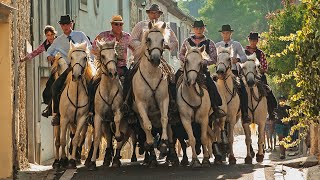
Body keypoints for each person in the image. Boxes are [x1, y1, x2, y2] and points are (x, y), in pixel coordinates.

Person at [124, 3, 179, 110]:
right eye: (152, 13)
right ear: (148, 14)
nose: (154, 15)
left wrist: (167, 46)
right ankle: (127, 103)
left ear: (159, 14)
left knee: (172, 77)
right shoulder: (141, 25)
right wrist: (143, 46)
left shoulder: (164, 26)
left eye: (156, 13)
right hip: (141, 58)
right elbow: (132, 40)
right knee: (129, 76)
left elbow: (175, 41)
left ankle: (172, 103)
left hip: (159, 58)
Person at [47, 14, 92, 126]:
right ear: (61, 26)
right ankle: (57, 113)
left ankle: (92, 111)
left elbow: (89, 47)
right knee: (55, 86)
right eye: (63, 25)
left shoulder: (80, 35)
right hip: (68, 68)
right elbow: (49, 51)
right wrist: (50, 56)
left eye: (67, 24)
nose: (65, 26)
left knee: (93, 84)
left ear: (71, 24)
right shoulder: (58, 40)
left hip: (82, 67)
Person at [177, 20, 226, 119]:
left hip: (202, 71)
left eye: (200, 28)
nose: (198, 30)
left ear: (204, 29)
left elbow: (214, 58)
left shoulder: (209, 43)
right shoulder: (187, 42)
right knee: (175, 80)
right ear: (193, 29)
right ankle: (174, 106)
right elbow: (181, 54)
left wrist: (205, 62)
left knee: (211, 85)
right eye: (196, 28)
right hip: (187, 70)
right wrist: (185, 59)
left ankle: (215, 108)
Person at [90, 15, 132, 115]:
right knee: (92, 83)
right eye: (116, 24)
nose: (118, 26)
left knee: (131, 83)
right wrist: (102, 57)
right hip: (105, 68)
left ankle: (129, 109)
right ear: (112, 25)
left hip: (121, 66)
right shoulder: (103, 35)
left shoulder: (128, 37)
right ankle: (91, 111)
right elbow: (93, 48)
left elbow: (135, 49)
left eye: (120, 24)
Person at [20, 25, 58, 117]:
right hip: (55, 69)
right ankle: (50, 109)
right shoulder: (45, 44)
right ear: (46, 36)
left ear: (54, 34)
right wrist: (24, 59)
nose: (50, 37)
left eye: (51, 34)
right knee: (48, 89)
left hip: (64, 65)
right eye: (48, 35)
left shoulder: (60, 40)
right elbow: (35, 52)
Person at [215, 24, 251, 123]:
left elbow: (244, 57)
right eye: (224, 33)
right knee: (212, 87)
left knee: (243, 89)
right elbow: (213, 58)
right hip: (220, 72)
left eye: (227, 33)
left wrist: (238, 59)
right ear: (222, 34)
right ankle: (213, 111)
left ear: (231, 33)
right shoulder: (217, 45)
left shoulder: (236, 44)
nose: (226, 35)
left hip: (234, 72)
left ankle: (245, 114)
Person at [245, 32, 278, 119]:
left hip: (259, 77)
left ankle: (272, 112)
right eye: (251, 40)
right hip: (246, 76)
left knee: (268, 92)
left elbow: (265, 67)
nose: (253, 42)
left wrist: (260, 69)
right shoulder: (243, 52)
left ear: (257, 41)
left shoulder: (261, 53)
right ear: (249, 40)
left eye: (255, 40)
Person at [274, 95, 291, 159]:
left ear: (285, 101)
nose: (282, 101)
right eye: (280, 100)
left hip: (286, 125)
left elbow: (291, 116)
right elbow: (275, 116)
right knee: (281, 139)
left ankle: (283, 152)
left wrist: (288, 120)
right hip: (279, 125)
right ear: (278, 101)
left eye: (283, 100)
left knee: (285, 139)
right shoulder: (276, 108)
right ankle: (281, 153)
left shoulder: (288, 108)